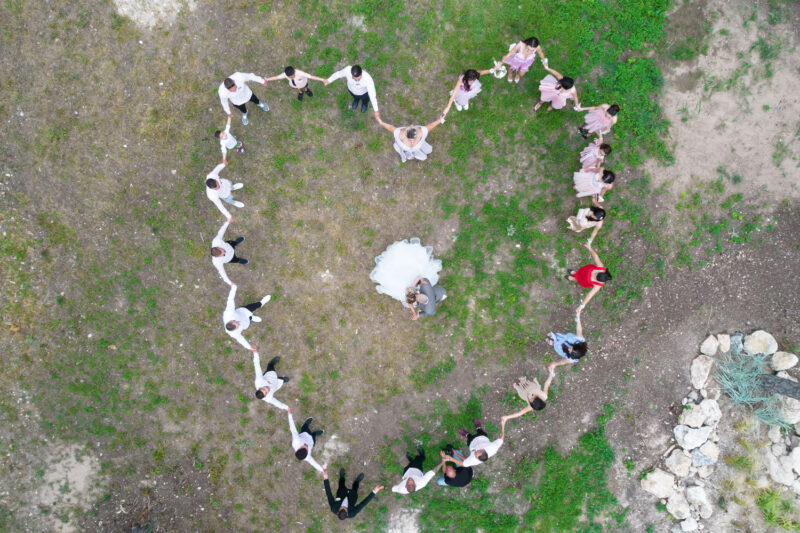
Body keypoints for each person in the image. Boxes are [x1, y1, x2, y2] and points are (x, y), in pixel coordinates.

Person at [370, 238, 442, 307]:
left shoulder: (412, 295)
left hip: (409, 287)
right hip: (415, 281)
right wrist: (416, 284)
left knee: (396, 281)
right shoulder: (422, 289)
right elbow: (419, 277)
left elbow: (410, 298)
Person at [375, 115, 445, 163]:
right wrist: (381, 122)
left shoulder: (421, 132)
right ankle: (406, 153)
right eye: (409, 139)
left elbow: (431, 126)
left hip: (417, 147)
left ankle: (413, 153)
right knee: (423, 156)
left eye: (414, 138)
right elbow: (390, 128)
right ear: (405, 135)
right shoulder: (400, 134)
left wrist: (440, 120)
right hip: (404, 147)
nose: (412, 141)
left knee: (428, 151)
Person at [223, 284, 270, 351]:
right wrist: (249, 347)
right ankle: (251, 318)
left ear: (231, 321)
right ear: (235, 330)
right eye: (237, 326)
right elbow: (241, 339)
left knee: (256, 305)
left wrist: (233, 288)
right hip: (245, 323)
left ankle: (262, 302)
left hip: (244, 311)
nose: (238, 323)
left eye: (236, 322)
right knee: (249, 320)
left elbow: (230, 299)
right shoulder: (233, 334)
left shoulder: (228, 313)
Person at [566, 242, 612, 312]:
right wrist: (589, 248)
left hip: (584, 280)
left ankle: (574, 279)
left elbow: (589, 295)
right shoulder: (601, 268)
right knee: (579, 272)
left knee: (579, 279)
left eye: (594, 277)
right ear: (601, 272)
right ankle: (575, 273)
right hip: (585, 271)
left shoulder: (598, 286)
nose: (593, 275)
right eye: (595, 274)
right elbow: (596, 257)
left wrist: (582, 306)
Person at [210, 218, 247, 285]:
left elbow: (221, 232)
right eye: (222, 254)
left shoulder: (216, 241)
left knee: (233, 243)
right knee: (236, 260)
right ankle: (239, 260)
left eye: (222, 250)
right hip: (230, 258)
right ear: (217, 257)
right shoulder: (216, 262)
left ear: (218, 247)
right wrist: (229, 282)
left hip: (229, 245)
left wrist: (227, 222)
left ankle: (236, 242)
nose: (224, 252)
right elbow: (222, 273)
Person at [287, 407, 324, 472]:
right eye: (307, 449)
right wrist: (322, 470)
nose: (307, 446)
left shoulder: (296, 440)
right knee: (313, 436)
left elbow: (292, 427)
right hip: (311, 441)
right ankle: (314, 434)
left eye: (304, 447)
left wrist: (290, 415)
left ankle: (306, 424)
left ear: (298, 448)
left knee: (304, 427)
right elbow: (313, 463)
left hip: (305, 433)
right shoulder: (306, 457)